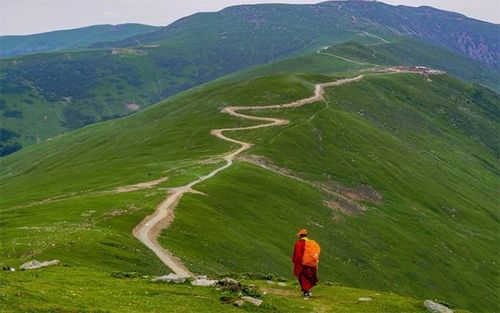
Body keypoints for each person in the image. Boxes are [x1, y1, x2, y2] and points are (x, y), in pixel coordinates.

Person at [292, 229, 319, 298]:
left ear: (300, 236)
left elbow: (297, 255)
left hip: (302, 264)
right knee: (308, 277)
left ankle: (306, 292)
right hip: (310, 264)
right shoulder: (311, 243)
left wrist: (296, 262)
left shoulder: (299, 243)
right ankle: (307, 291)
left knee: (303, 278)